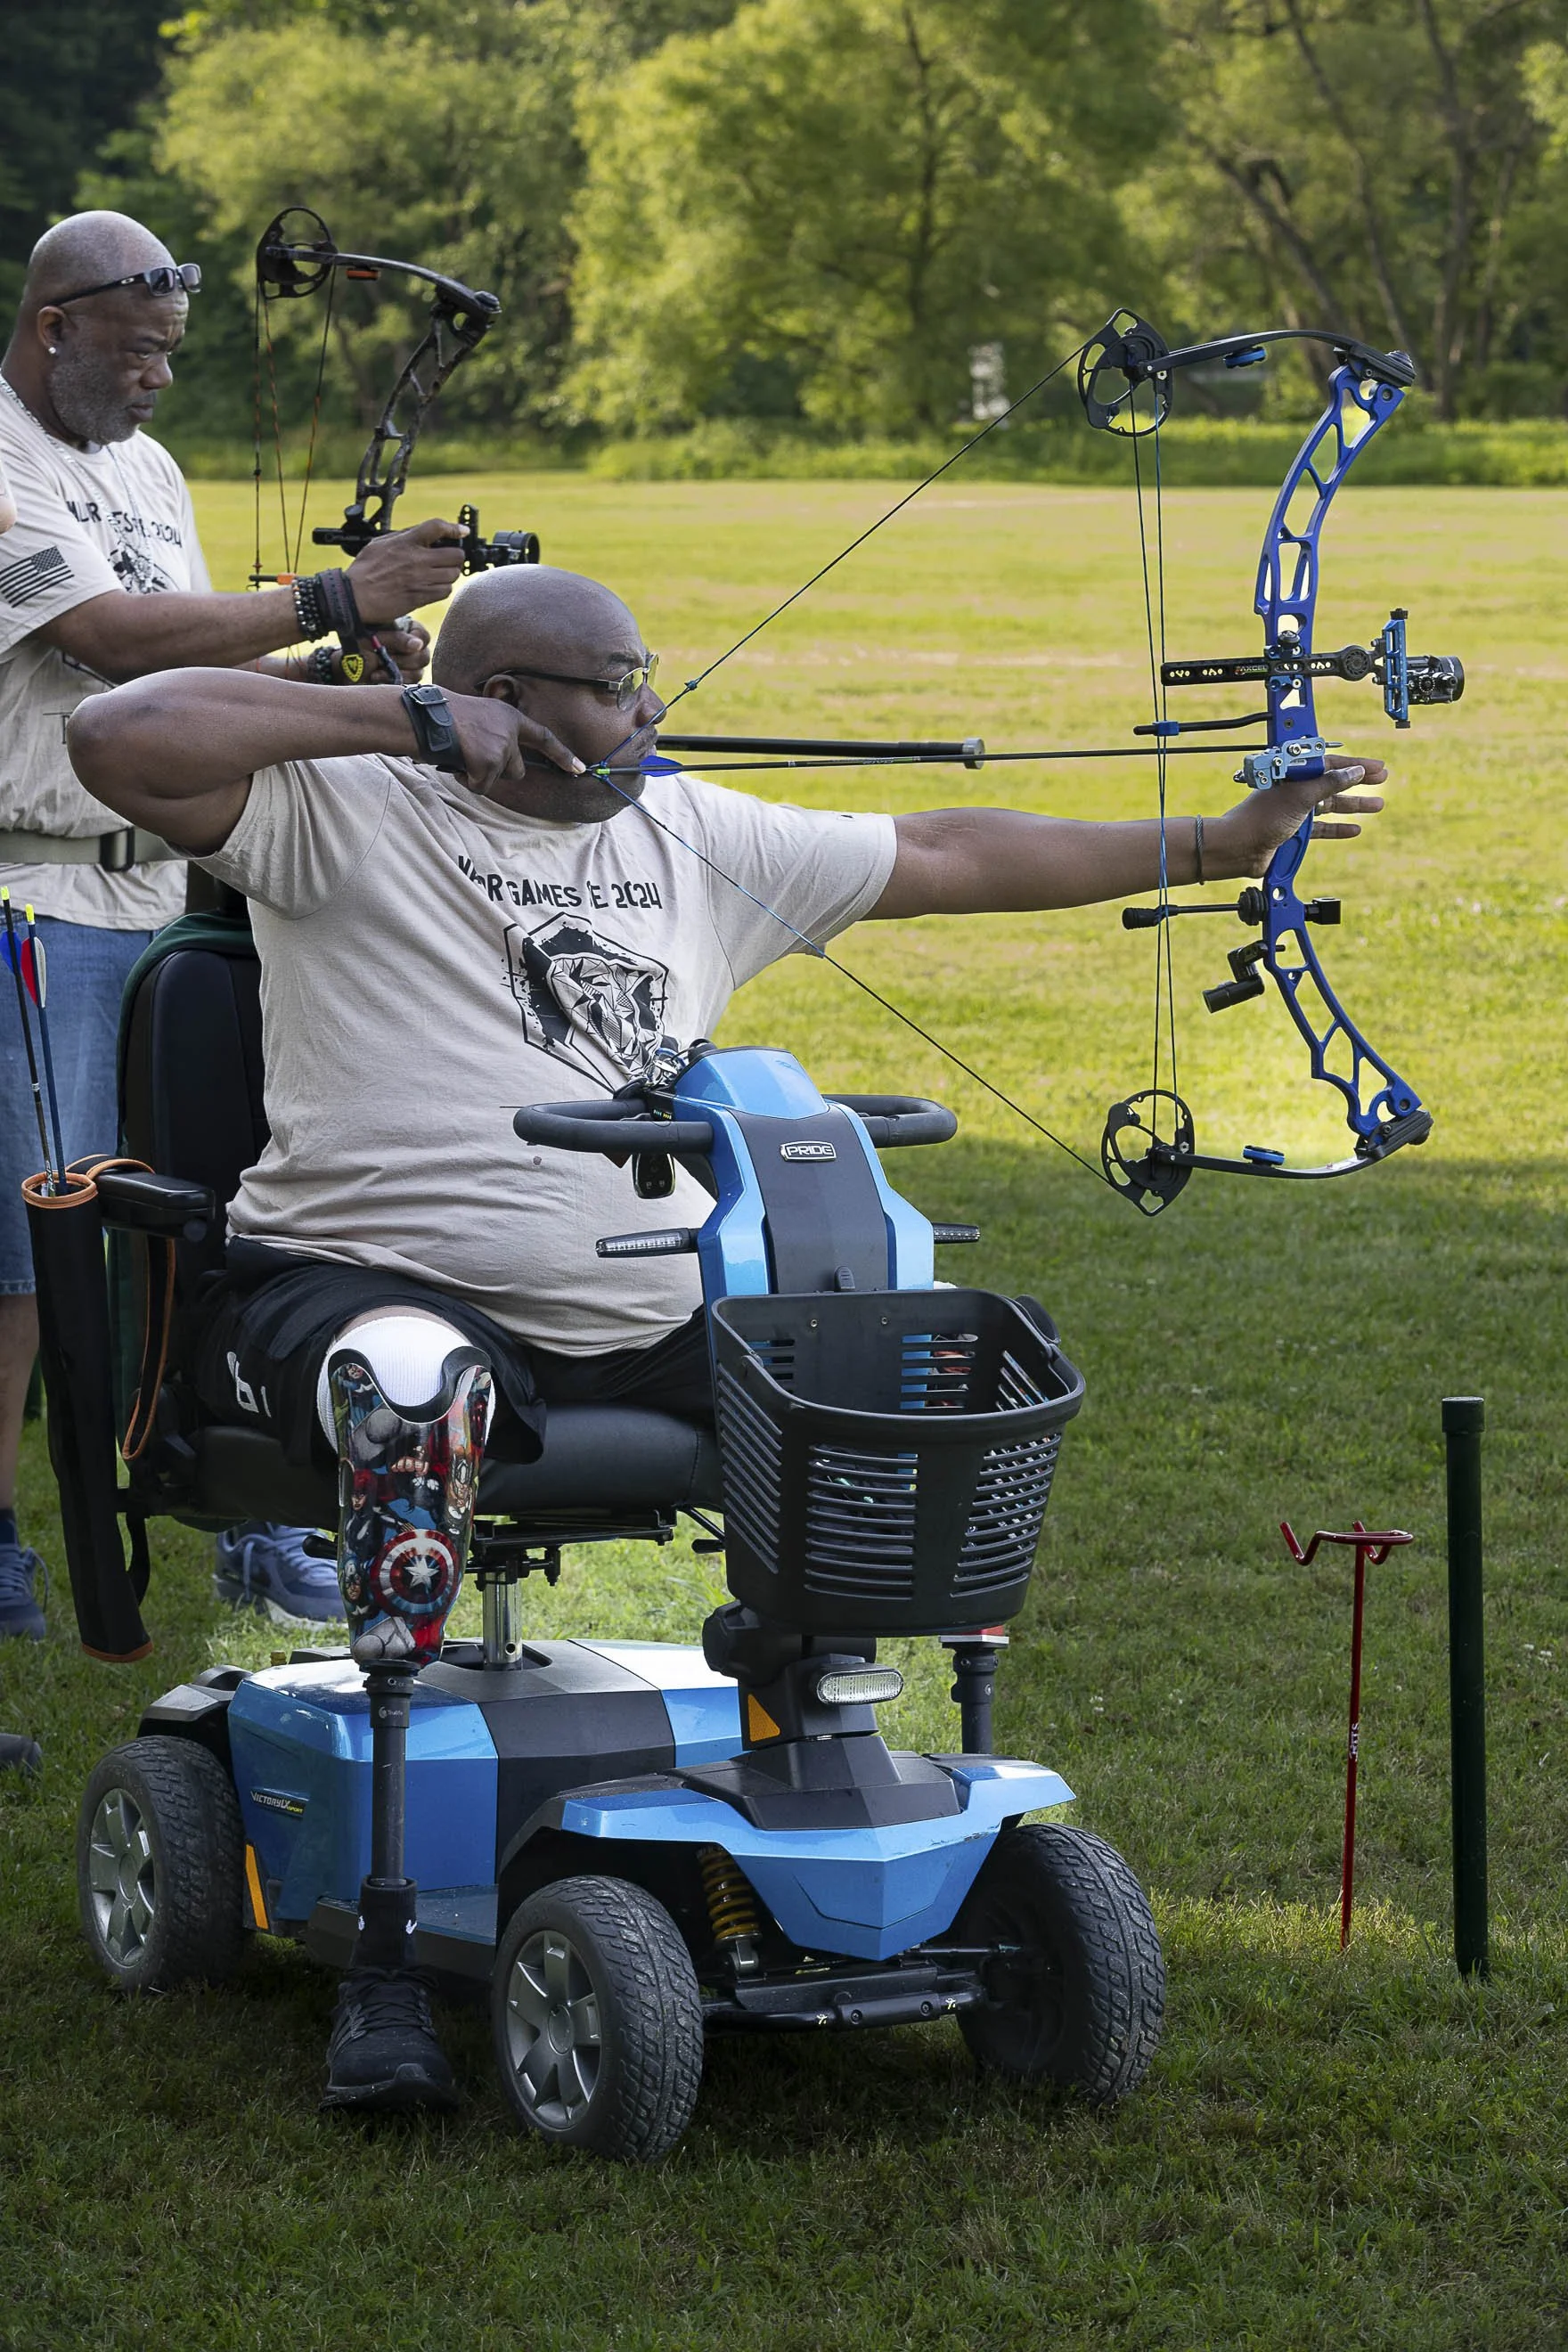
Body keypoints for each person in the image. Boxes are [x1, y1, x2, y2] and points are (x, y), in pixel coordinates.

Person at [64, 561, 1390, 2108]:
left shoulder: (689, 830)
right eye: (618, 682)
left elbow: (953, 846)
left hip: (650, 1315)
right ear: (502, 703)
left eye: (649, 676)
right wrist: (403, 717)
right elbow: (115, 730)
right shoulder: (338, 806)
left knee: (910, 1372)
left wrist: (1215, 841)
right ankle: (381, 1952)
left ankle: (813, 1708)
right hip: (360, 1287)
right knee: (413, 1386)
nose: (652, 707)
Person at [0, 208, 472, 1638]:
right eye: (134, 351)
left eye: (171, 355)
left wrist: (342, 656)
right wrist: (336, 590)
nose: (154, 379)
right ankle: (6, 1547)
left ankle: (240, 1513)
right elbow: (111, 642)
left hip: (174, 890)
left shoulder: (145, 466)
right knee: (35, 1257)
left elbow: (200, 647)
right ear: (54, 326)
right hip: (37, 894)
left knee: (209, 1222)